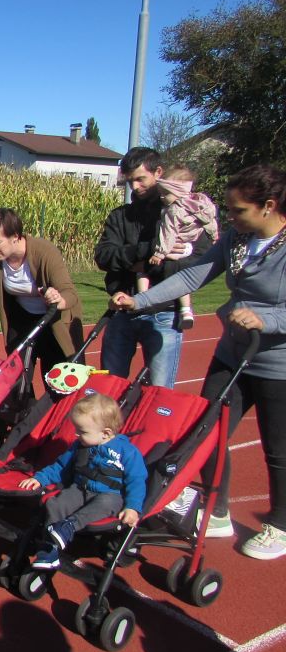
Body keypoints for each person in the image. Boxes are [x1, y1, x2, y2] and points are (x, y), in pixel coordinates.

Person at [111, 164, 286, 560]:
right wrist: (140, 300)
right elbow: (191, 278)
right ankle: (217, 510)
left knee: (278, 448)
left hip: (277, 364)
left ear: (269, 206)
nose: (229, 218)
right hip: (232, 355)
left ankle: (279, 524)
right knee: (207, 433)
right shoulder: (237, 241)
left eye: (238, 210)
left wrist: (266, 320)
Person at [94, 147, 214, 388]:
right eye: (130, 181)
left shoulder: (183, 215)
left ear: (158, 172)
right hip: (121, 310)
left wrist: (147, 268)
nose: (135, 187)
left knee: (159, 391)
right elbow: (104, 256)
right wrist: (149, 250)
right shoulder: (120, 216)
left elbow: (198, 263)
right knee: (109, 387)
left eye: (141, 179)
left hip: (164, 313)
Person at [18, 393, 147, 570]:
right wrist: (40, 478)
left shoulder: (128, 452)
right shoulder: (79, 446)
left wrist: (132, 507)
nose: (76, 434)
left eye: (82, 432)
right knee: (56, 504)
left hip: (111, 495)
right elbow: (61, 466)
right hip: (80, 489)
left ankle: (69, 526)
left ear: (106, 433)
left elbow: (137, 481)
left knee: (104, 503)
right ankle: (49, 549)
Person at [0, 208, 83, 381]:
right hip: (22, 318)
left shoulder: (44, 252)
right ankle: (23, 398)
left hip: (51, 319)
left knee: (55, 377)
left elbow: (70, 293)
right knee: (17, 376)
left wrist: (57, 299)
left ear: (15, 236)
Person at [137, 164, 220, 330]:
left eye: (165, 194)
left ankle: (142, 299)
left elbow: (168, 233)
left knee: (141, 271)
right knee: (182, 281)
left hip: (174, 246)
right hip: (189, 247)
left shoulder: (174, 210)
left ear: (178, 191)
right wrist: (214, 236)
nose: (162, 198)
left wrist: (160, 253)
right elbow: (210, 222)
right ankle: (186, 310)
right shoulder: (200, 203)